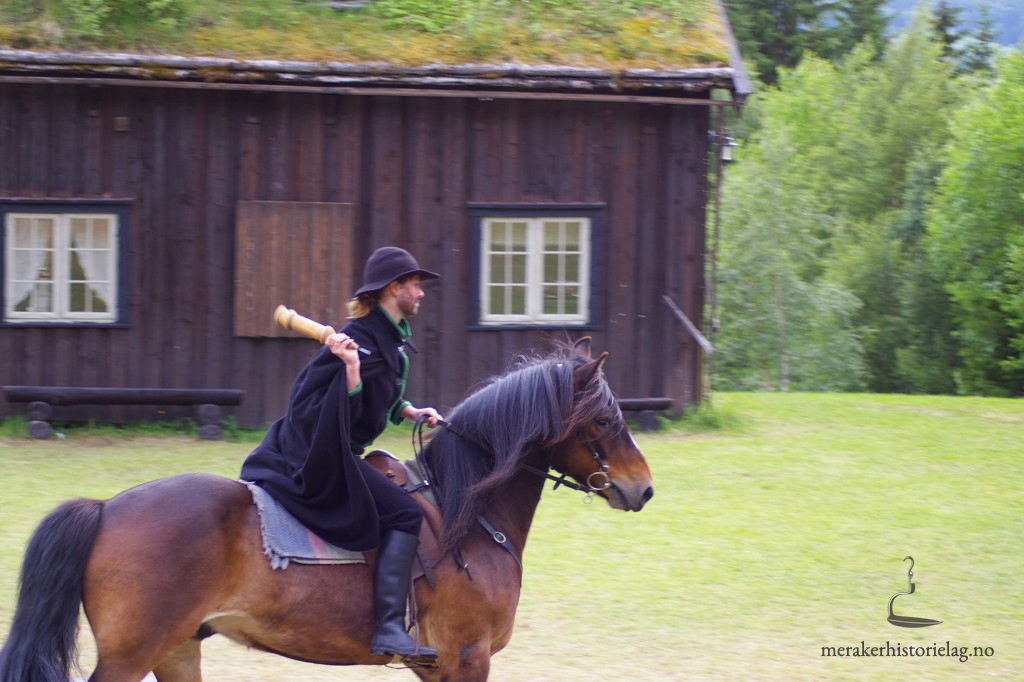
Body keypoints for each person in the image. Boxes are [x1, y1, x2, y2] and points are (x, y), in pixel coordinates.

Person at [240, 246, 442, 663]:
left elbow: (381, 397)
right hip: (317, 453)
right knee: (406, 513)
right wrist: (349, 370)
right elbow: (319, 409)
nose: (420, 293)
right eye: (414, 284)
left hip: (341, 445)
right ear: (393, 288)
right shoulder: (359, 342)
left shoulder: (388, 340)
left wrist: (409, 411)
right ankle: (389, 627)